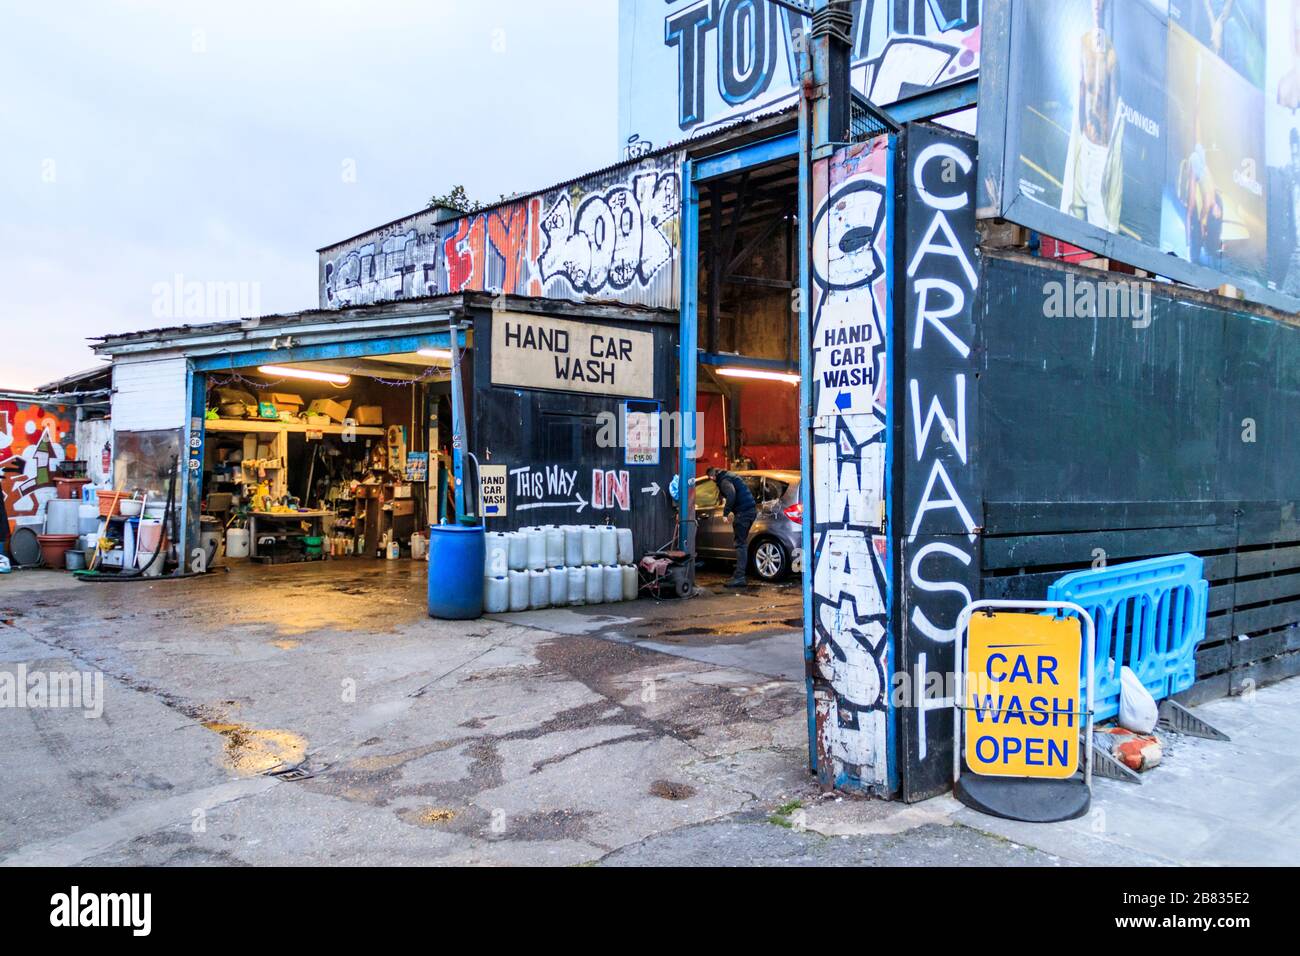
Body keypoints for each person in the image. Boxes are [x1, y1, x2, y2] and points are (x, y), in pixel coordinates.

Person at [1060, 0, 1123, 233]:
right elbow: (1080, 87)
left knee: (1100, 223)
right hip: (1084, 137)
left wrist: (1108, 147)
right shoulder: (1083, 44)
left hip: (1100, 146)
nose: (1097, 5)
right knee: (1073, 210)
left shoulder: (1113, 56)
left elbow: (1115, 103)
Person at [706, 466, 757, 588]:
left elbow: (731, 493)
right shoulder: (729, 475)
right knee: (741, 543)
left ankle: (739, 577)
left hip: (743, 514)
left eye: (711, 478)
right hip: (749, 511)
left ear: (712, 477)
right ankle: (738, 575)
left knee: (740, 544)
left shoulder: (724, 481)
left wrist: (725, 512)